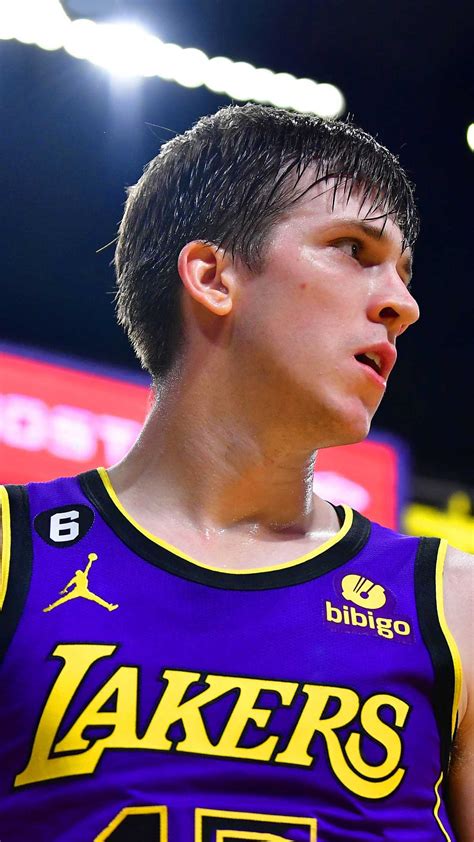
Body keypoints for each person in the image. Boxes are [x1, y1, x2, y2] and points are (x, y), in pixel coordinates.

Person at [0, 103, 472, 841]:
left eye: (404, 274)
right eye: (354, 249)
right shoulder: (12, 551)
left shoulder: (454, 604)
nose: (402, 305)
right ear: (213, 276)